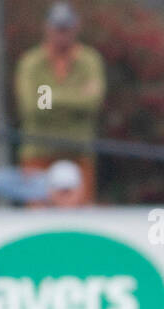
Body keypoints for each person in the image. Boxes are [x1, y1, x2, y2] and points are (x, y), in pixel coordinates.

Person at [15, 3, 106, 202]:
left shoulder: (90, 61)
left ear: (76, 28)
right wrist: (75, 95)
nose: (62, 34)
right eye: (58, 28)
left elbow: (91, 103)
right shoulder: (31, 62)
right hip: (39, 153)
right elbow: (34, 107)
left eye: (66, 28)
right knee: (37, 217)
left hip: (79, 153)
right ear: (47, 28)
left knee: (80, 219)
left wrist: (50, 95)